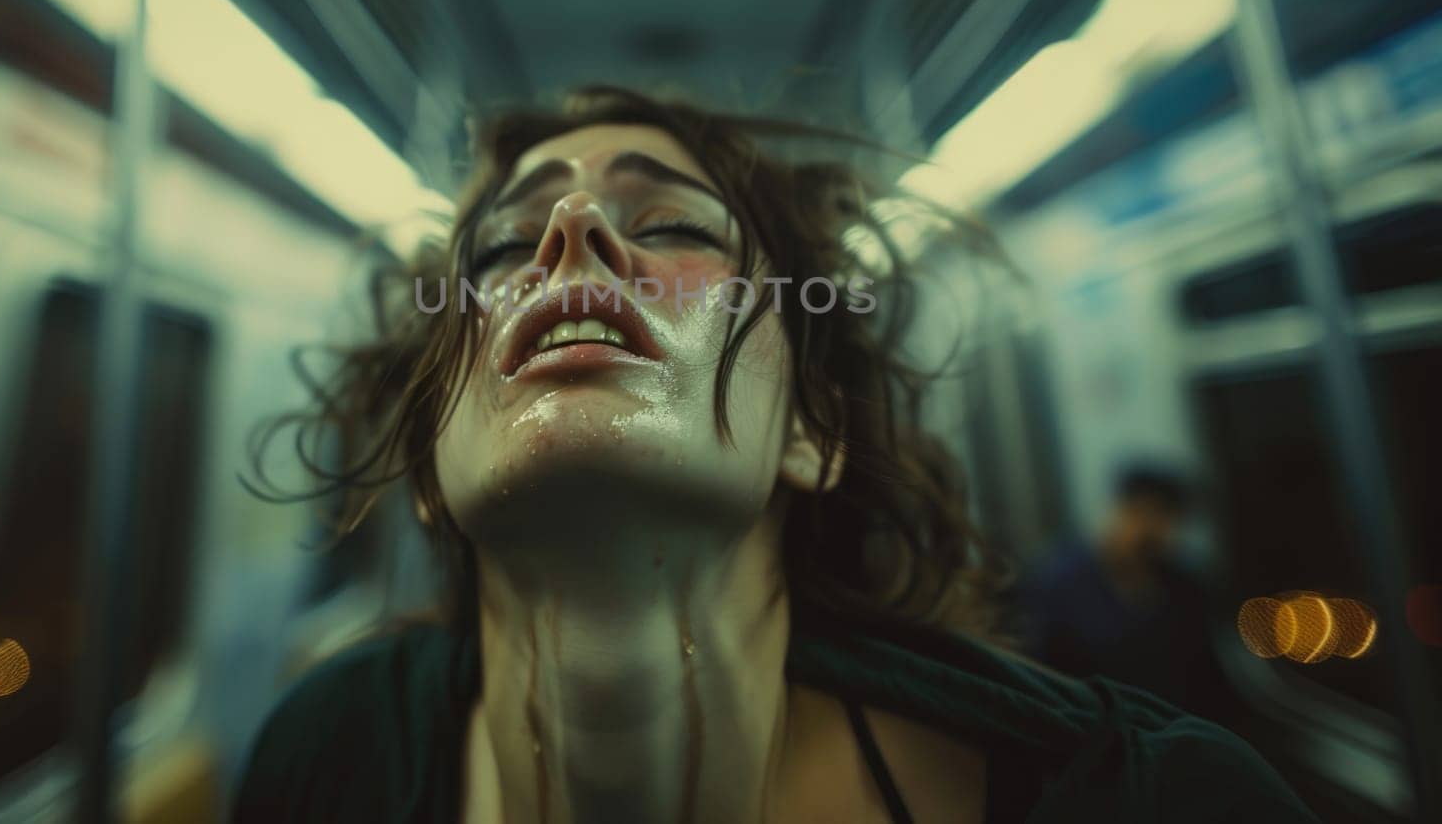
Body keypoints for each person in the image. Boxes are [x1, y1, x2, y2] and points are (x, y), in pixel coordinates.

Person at [234, 87, 1315, 822]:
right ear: (428, 464)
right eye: (508, 243)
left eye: (672, 225)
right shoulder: (329, 755)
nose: (571, 233)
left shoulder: (1147, 797)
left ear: (812, 427)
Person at [1018, 464, 1232, 723]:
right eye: (1139, 514)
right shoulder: (1058, 583)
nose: (1148, 530)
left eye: (1164, 517)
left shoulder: (1186, 588)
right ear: (1114, 512)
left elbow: (1206, 677)